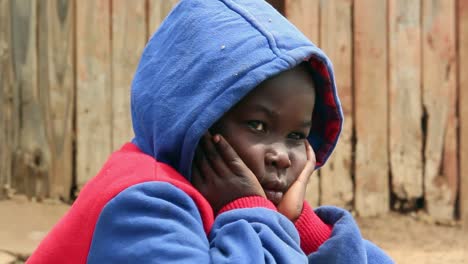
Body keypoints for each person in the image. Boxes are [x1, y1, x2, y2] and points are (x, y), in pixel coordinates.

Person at [27, 0, 393, 263]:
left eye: (297, 136)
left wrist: (304, 228)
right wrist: (253, 213)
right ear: (198, 123)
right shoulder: (145, 203)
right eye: (257, 125)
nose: (282, 155)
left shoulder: (234, 201)